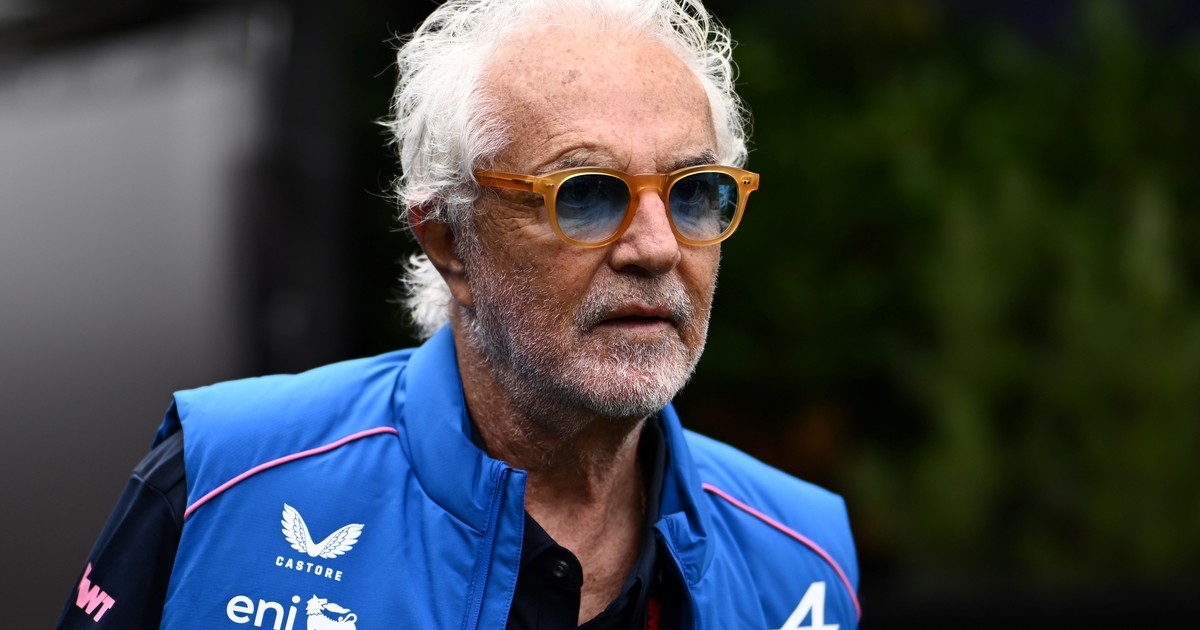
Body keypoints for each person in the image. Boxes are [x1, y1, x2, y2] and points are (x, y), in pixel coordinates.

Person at [59, 0, 860, 628]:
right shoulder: (222, 479)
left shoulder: (804, 559)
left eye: (692, 194)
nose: (656, 247)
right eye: (585, 194)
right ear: (449, 240)